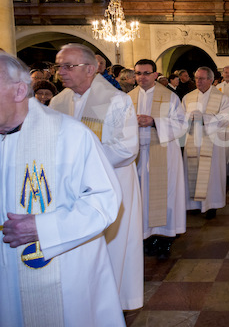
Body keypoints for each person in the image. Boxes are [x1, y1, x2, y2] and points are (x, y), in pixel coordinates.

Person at [0, 53, 125, 326]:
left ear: (20, 90)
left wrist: (42, 228)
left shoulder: (69, 135)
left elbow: (104, 202)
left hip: (61, 270)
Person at [50, 44, 143, 311]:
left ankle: (112, 304)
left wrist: (81, 161)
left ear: (90, 69)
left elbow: (126, 149)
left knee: (113, 246)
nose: (61, 72)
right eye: (59, 66)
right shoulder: (57, 102)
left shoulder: (116, 100)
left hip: (112, 184)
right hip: (70, 189)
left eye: (68, 66)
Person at [129, 59, 187, 260]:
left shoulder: (170, 97)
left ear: (155, 74)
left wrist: (154, 121)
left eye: (146, 73)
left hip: (163, 151)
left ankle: (164, 239)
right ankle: (144, 237)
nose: (142, 77)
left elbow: (181, 124)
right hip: (136, 154)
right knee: (141, 196)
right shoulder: (128, 98)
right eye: (138, 73)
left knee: (165, 195)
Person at [183, 67, 229, 219]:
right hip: (192, 139)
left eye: (202, 78)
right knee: (193, 171)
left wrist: (204, 118)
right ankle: (194, 205)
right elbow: (179, 117)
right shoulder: (187, 97)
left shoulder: (222, 98)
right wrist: (187, 119)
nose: (198, 82)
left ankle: (211, 205)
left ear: (211, 80)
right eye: (196, 78)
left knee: (211, 174)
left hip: (212, 142)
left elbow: (224, 119)